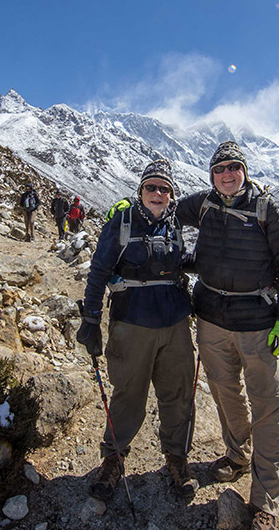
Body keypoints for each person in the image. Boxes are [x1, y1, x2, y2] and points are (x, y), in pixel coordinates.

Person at [117, 142, 279, 530]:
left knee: (269, 406)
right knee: (224, 393)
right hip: (212, 320)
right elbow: (159, 208)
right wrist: (126, 208)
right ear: (211, 174)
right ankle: (237, 456)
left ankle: (265, 500)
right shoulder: (201, 204)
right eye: (220, 168)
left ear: (245, 171)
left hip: (257, 325)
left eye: (234, 167)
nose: (227, 174)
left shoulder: (270, 210)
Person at [76, 160, 198, 502]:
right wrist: (91, 318)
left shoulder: (174, 224)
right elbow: (99, 270)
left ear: (172, 195)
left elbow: (179, 261)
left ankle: (176, 458)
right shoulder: (122, 221)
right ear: (141, 190)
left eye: (164, 189)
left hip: (175, 324)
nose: (157, 194)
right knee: (128, 394)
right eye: (151, 187)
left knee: (177, 394)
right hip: (131, 323)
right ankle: (113, 458)